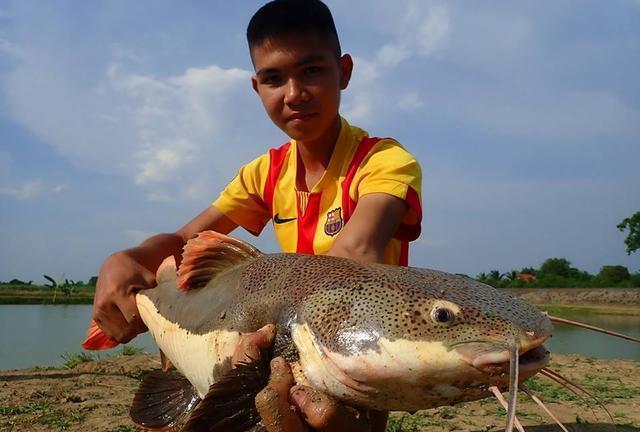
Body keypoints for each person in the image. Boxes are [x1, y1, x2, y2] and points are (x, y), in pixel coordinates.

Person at [92, 1, 422, 431]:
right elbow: (185, 239)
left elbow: (357, 250)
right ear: (256, 87)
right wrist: (127, 260)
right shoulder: (265, 172)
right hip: (283, 336)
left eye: (312, 71)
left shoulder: (384, 160)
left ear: (344, 71)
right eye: (273, 79)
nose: (294, 94)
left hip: (360, 345)